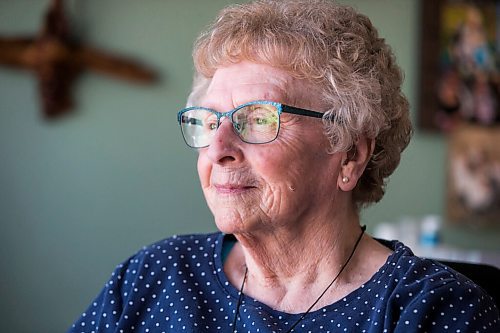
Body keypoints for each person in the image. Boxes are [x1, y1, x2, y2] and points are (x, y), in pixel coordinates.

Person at [68, 0, 500, 332]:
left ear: (349, 153)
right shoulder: (154, 276)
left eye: (257, 119)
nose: (218, 147)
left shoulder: (432, 312)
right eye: (209, 120)